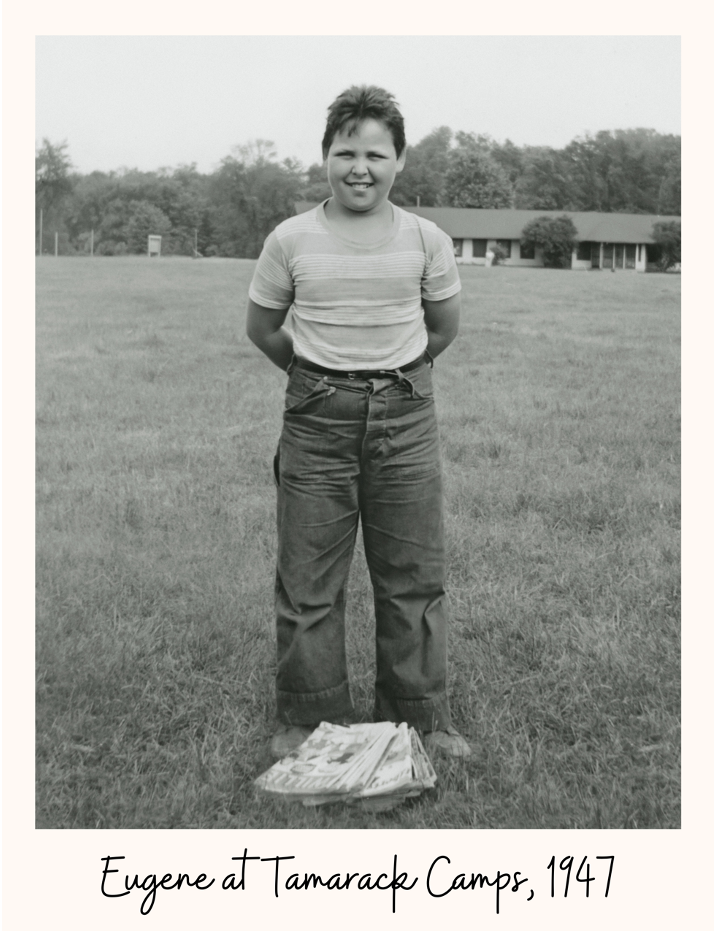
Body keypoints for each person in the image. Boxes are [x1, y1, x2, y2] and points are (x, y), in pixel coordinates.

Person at [246, 85, 471, 761]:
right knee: (308, 580)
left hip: (406, 417)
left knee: (413, 577)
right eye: (346, 152)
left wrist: (393, 378)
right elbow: (263, 328)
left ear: (399, 160)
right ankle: (312, 723)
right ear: (324, 158)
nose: (360, 167)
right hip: (316, 421)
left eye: (376, 153)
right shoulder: (291, 238)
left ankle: (419, 719)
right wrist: (318, 380)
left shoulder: (425, 239)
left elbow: (443, 328)